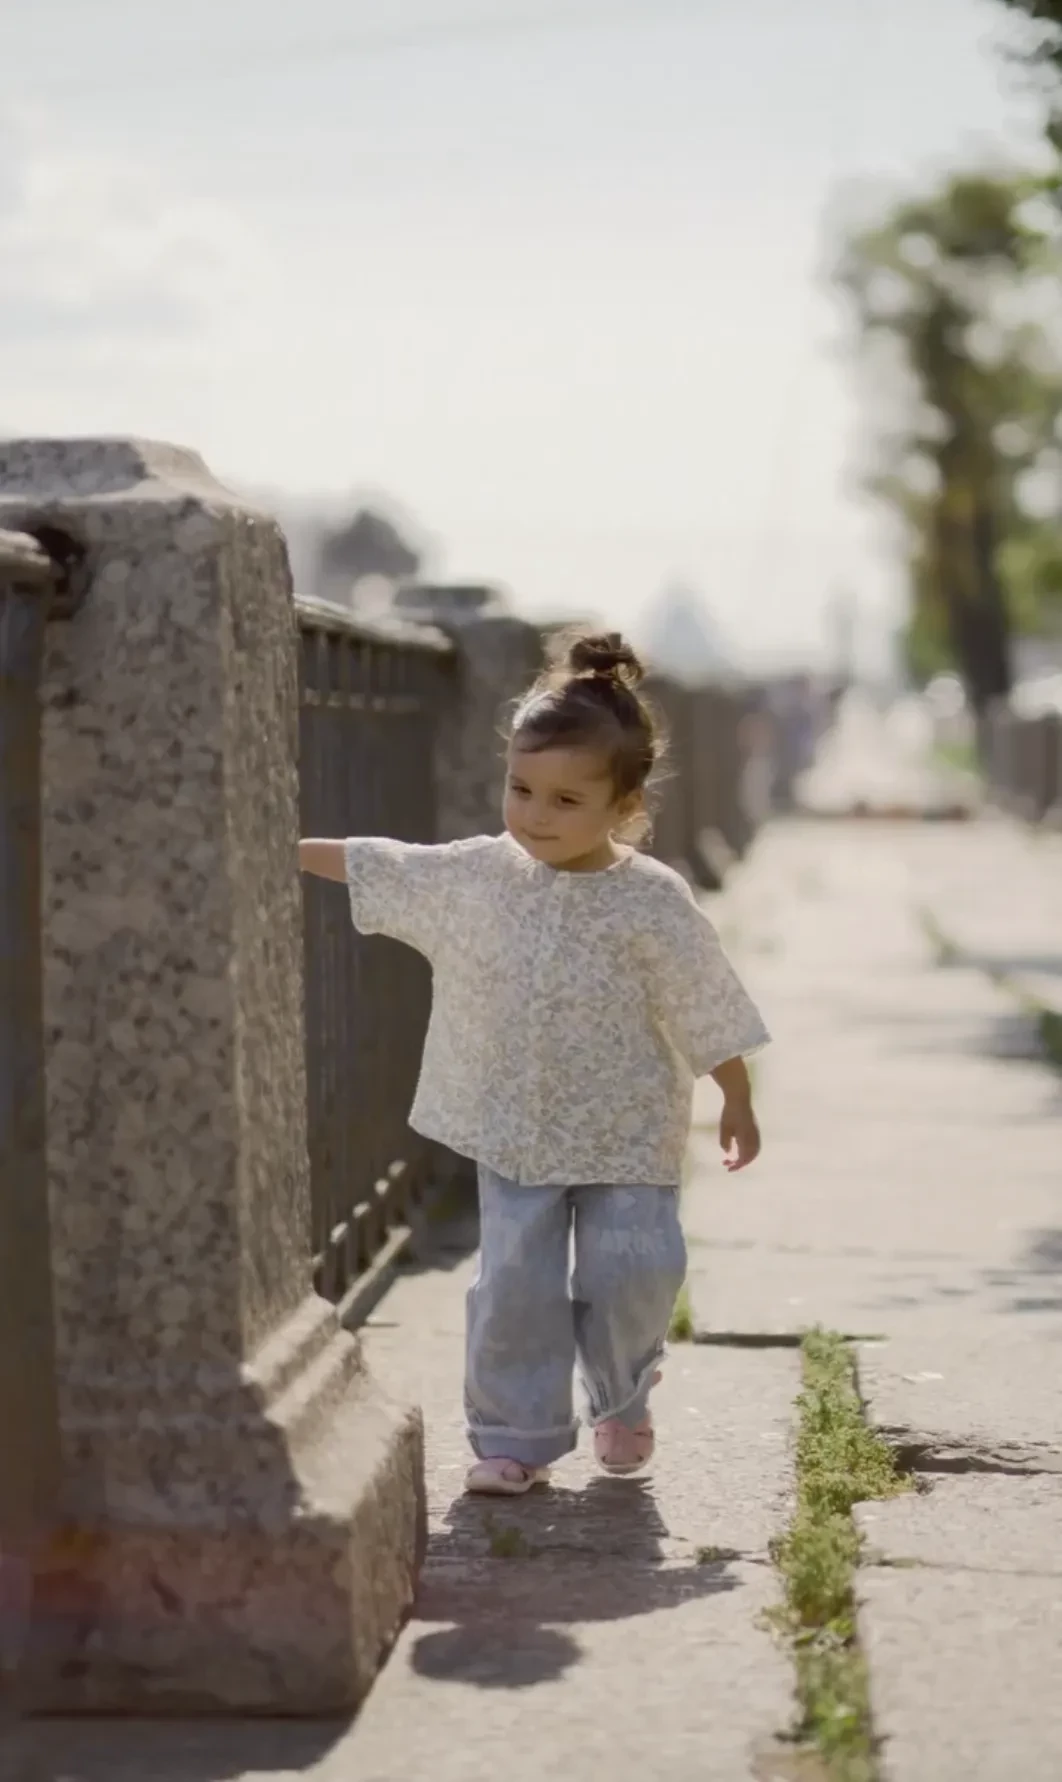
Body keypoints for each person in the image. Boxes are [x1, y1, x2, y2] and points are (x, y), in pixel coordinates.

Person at [299, 631, 769, 1497]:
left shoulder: (651, 900)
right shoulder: (483, 875)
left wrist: (734, 1095)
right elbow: (387, 865)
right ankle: (513, 1437)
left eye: (566, 799)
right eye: (520, 789)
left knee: (634, 1271)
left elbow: (704, 996)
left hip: (628, 1131)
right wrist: (286, 848)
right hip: (514, 1128)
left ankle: (623, 1392)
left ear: (625, 804)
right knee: (514, 1285)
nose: (535, 815)